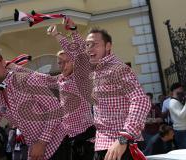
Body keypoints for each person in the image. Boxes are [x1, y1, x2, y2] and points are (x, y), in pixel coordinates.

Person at [48, 19, 151, 160]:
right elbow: (76, 52)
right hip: (102, 144)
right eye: (88, 45)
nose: (89, 48)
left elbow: (141, 101)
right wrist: (70, 31)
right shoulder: (93, 68)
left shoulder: (117, 69)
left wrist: (123, 139)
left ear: (108, 46)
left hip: (121, 146)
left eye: (95, 44)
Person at [0, 48, 66, 160]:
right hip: (38, 153)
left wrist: (42, 142)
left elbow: (55, 110)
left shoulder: (25, 79)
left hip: (61, 143)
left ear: (2, 62)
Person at [168, 82, 186, 149]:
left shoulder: (178, 100)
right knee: (185, 153)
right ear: (175, 90)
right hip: (181, 131)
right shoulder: (172, 102)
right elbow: (181, 115)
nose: (182, 90)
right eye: (180, 88)